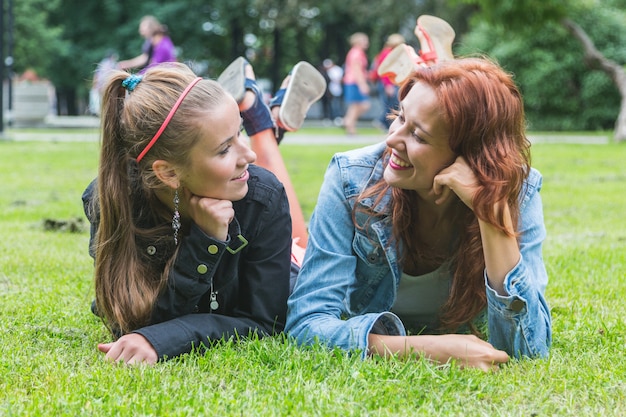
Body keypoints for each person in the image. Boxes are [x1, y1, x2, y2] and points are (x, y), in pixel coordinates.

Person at [285, 56, 552, 371]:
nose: (391, 139)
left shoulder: (517, 190)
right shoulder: (351, 177)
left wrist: (489, 215)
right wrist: (424, 349)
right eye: (400, 117)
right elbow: (307, 325)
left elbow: (528, 348)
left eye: (419, 136)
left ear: (470, 156)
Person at [82, 58, 326, 365]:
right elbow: (126, 320)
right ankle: (261, 116)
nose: (248, 154)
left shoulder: (262, 197)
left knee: (303, 256)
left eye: (240, 134)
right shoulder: (111, 200)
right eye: (225, 149)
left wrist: (164, 338)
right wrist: (206, 240)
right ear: (168, 173)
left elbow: (266, 324)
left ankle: (259, 118)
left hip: (292, 266)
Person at [377, 15, 455, 86]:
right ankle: (424, 63)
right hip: (444, 82)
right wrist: (388, 85)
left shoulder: (385, 52)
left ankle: (421, 65)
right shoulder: (386, 53)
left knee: (433, 80)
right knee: (439, 79)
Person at [370, 33, 405, 130]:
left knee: (390, 103)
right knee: (390, 105)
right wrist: (388, 85)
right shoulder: (387, 53)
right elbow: (384, 71)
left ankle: (385, 124)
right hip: (387, 83)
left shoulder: (387, 52)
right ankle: (381, 121)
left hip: (390, 82)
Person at [342, 32, 371, 135]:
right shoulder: (357, 53)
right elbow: (356, 70)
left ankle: (348, 123)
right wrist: (363, 85)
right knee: (363, 105)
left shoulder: (355, 52)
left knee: (355, 105)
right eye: (364, 40)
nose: (367, 43)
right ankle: (349, 123)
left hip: (352, 81)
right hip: (354, 82)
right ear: (357, 42)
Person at [89, 50, 118, 116]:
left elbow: (97, 75)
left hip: (101, 84)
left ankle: (97, 111)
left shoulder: (102, 63)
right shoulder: (113, 64)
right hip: (106, 84)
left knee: (98, 98)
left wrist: (95, 85)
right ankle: (102, 112)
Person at [321, 58, 344, 125]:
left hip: (337, 90)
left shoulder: (337, 69)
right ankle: (331, 117)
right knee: (331, 105)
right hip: (330, 91)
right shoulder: (327, 71)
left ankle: (338, 117)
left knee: (336, 104)